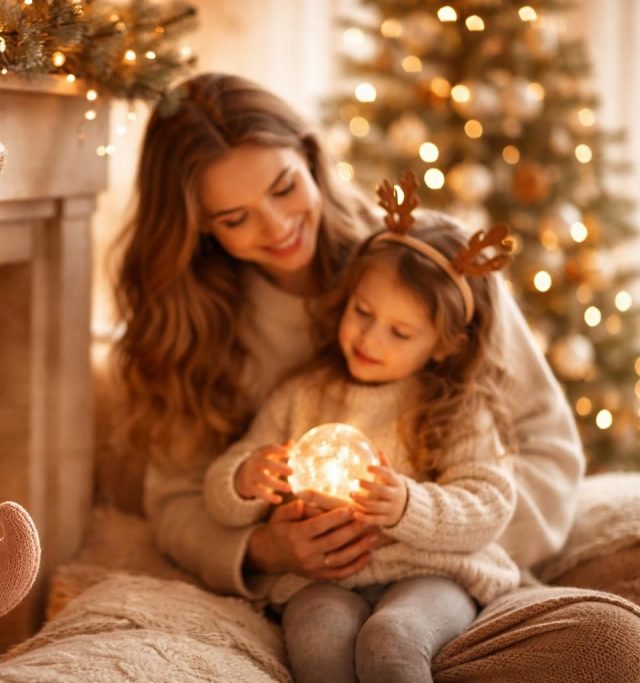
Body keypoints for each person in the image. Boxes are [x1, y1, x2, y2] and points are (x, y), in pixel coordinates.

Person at [112, 72, 640, 681]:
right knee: (332, 642)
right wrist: (266, 550)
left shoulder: (433, 265)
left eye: (285, 187)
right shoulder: (201, 330)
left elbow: (545, 452)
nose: (278, 226)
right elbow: (182, 499)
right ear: (199, 224)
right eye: (236, 218)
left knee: (609, 643)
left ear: (311, 158)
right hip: (313, 590)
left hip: (454, 580)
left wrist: (420, 537)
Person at [204, 190, 520, 681]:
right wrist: (245, 478)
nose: (370, 339)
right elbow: (221, 494)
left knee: (391, 639)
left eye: (400, 332)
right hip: (322, 578)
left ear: (444, 345)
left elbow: (490, 504)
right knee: (318, 639)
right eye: (363, 312)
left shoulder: (457, 408)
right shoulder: (302, 394)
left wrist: (406, 505)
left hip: (431, 574)